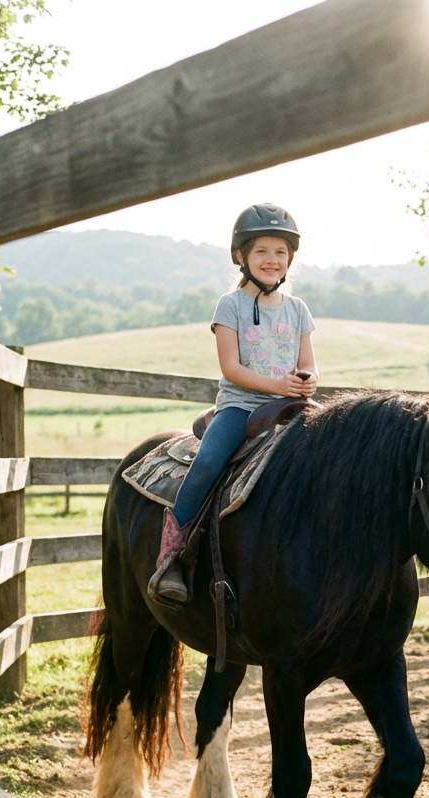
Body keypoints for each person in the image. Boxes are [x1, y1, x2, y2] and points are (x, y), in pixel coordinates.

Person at [149, 203, 318, 604]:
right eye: (261, 251)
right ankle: (172, 555)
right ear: (241, 257)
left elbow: (309, 364)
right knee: (208, 462)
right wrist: (280, 385)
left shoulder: (298, 310)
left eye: (280, 253)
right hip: (240, 408)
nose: (271, 260)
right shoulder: (230, 305)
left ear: (289, 259)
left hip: (289, 409)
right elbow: (231, 367)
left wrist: (306, 381)